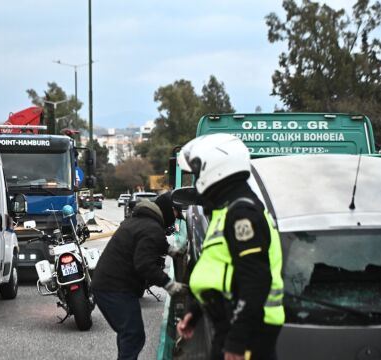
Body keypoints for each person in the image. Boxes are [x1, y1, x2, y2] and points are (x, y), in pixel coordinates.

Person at [175, 133, 284, 360]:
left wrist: (237, 340)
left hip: (248, 333)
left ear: (215, 169)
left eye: (196, 173)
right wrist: (194, 312)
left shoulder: (242, 214)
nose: (196, 180)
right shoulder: (226, 211)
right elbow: (220, 270)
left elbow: (256, 280)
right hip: (231, 324)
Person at [91, 191, 187, 360]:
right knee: (133, 335)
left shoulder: (141, 221)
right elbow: (144, 265)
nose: (177, 217)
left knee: (129, 335)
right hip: (115, 289)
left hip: (108, 285)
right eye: (176, 212)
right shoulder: (152, 227)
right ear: (166, 209)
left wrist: (170, 250)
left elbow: (150, 242)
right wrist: (170, 285)